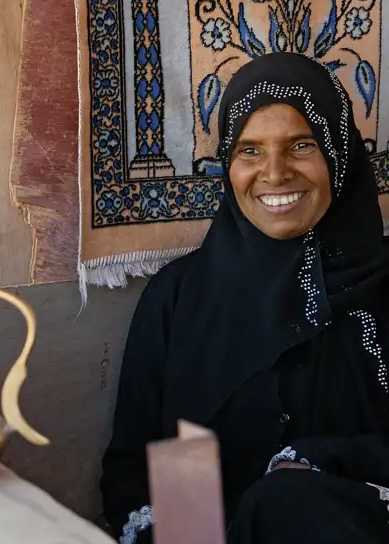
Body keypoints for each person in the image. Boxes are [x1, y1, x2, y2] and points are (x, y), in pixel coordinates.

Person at [100, 52, 389, 544]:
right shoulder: (180, 298)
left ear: (339, 155)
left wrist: (317, 463)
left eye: (301, 145)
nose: (274, 174)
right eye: (249, 151)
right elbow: (136, 465)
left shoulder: (380, 287)